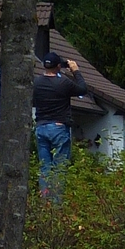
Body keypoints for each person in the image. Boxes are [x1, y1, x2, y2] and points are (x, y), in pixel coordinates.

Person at [32, 51, 87, 198]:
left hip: (41, 127)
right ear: (58, 66)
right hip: (58, 127)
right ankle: (56, 204)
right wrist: (75, 71)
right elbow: (82, 89)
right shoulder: (63, 82)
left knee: (45, 167)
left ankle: (45, 202)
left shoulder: (36, 83)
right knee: (59, 167)